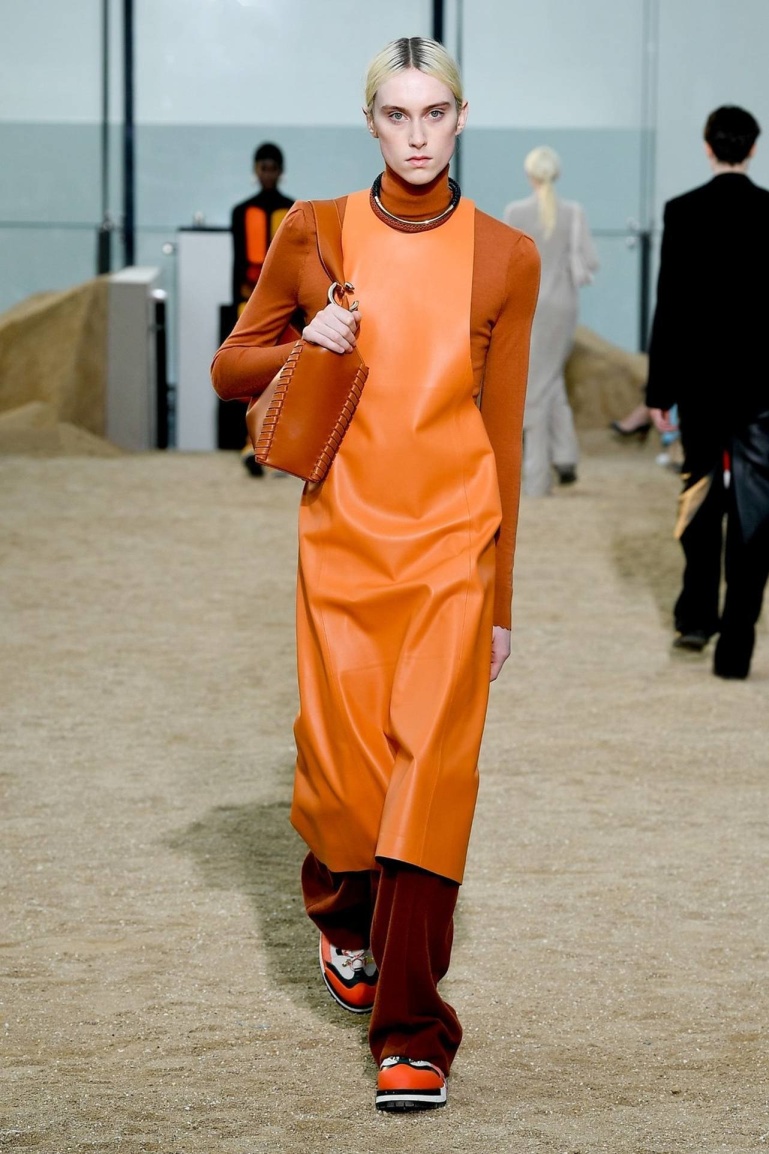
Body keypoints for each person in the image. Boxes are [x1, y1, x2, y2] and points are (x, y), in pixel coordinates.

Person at [211, 36, 539, 1111]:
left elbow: (502, 436)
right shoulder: (314, 230)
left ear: (460, 118)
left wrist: (498, 599)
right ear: (370, 123)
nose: (416, 134)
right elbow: (230, 367)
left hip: (453, 550)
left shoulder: (506, 257)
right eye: (396, 114)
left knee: (429, 785)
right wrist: (306, 337)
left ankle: (412, 1030)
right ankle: (339, 912)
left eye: (433, 113)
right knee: (344, 785)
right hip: (343, 546)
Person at [646, 105, 769, 678]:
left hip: (699, 386)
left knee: (699, 496)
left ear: (707, 145)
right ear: (753, 148)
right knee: (755, 512)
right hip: (761, 389)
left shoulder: (683, 211)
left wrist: (659, 391)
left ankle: (696, 618)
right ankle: (735, 648)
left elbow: (669, 304)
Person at [503, 146, 598, 496]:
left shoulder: (515, 212)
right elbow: (590, 260)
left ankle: (537, 478)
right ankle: (566, 456)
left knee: (537, 385)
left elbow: (507, 264)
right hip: (563, 307)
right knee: (548, 378)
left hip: (530, 305)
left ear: (529, 174)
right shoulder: (574, 212)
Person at [223, 143, 295, 475]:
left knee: (285, 373)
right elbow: (238, 263)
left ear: (280, 171)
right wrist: (238, 305)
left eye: (272, 168)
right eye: (263, 168)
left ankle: (280, 446)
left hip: (285, 307)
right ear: (256, 170)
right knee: (250, 374)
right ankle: (250, 444)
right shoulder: (241, 212)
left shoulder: (292, 210)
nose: (268, 174)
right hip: (249, 305)